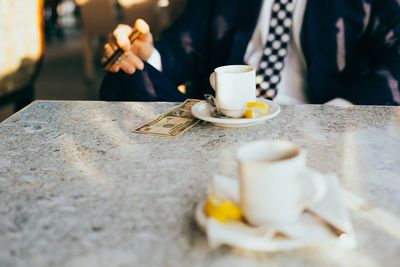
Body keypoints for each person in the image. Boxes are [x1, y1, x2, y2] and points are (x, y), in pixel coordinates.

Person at [100, 0, 400, 105]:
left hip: (317, 120)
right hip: (226, 118)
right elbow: (188, 44)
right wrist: (148, 55)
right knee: (124, 75)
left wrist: (339, 113)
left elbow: (395, 58)